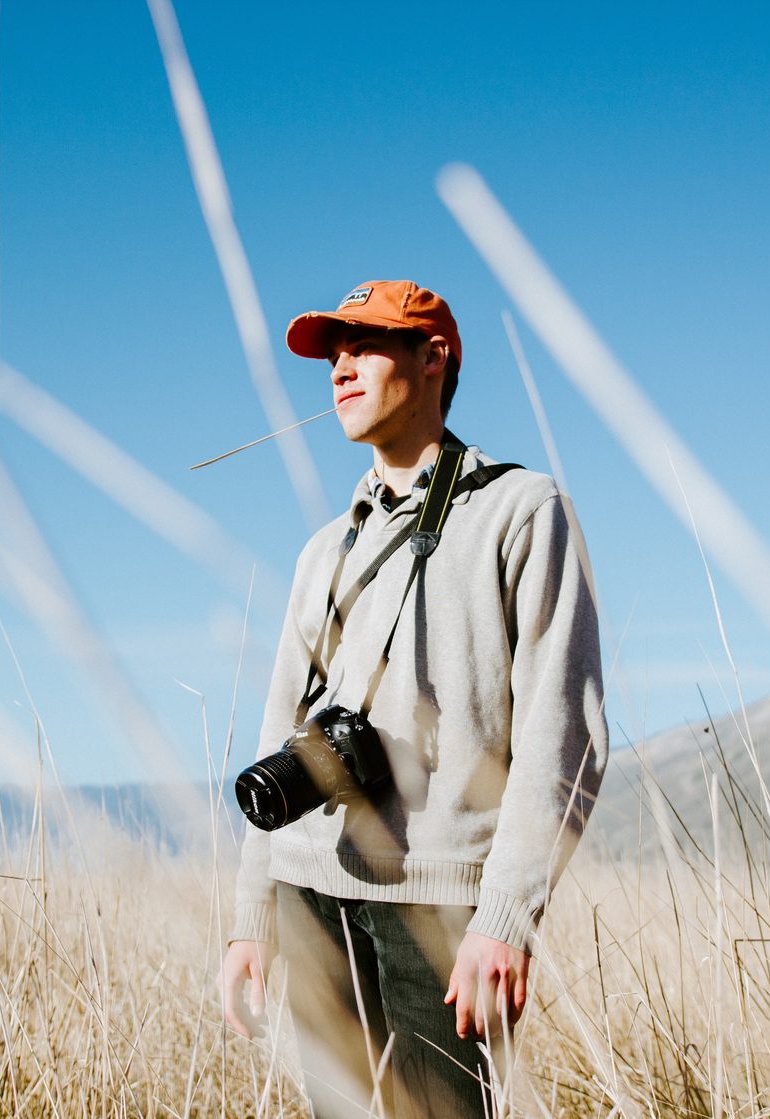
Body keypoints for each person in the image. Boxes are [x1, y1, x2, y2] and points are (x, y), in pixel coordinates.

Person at [220, 279, 607, 1118]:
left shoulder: (522, 509)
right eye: (332, 353)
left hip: (438, 905)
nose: (339, 368)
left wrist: (505, 914)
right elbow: (277, 725)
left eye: (363, 344)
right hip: (308, 893)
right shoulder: (324, 548)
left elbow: (562, 731)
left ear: (434, 358)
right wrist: (251, 914)